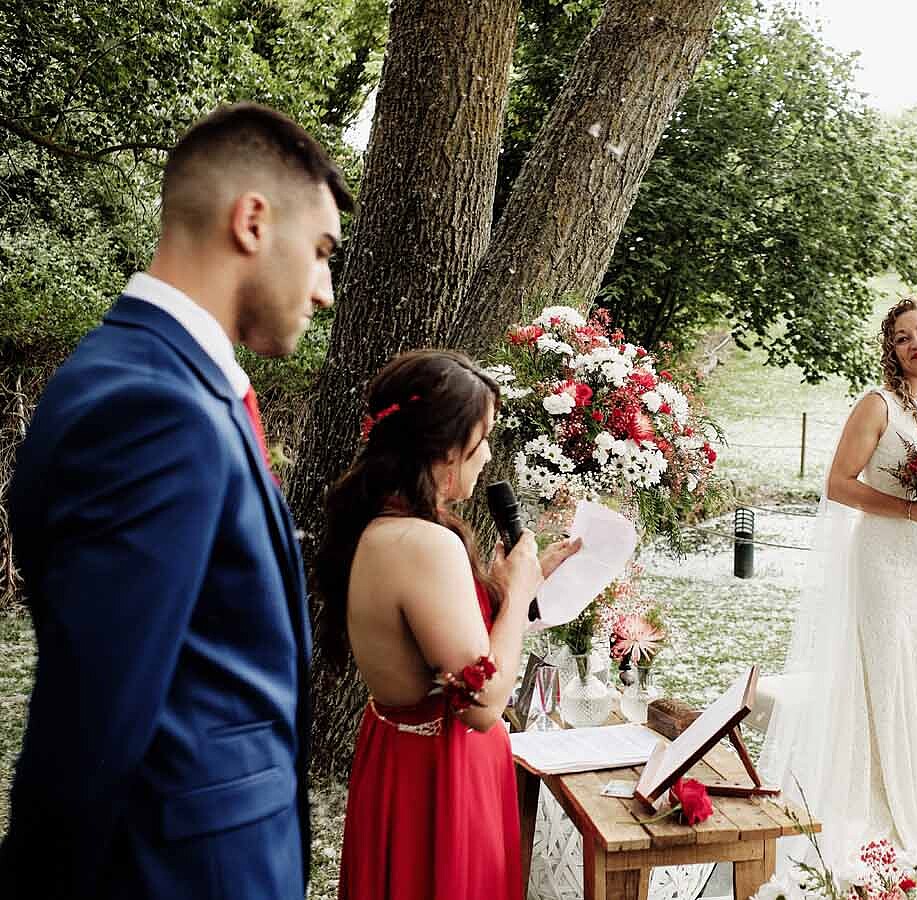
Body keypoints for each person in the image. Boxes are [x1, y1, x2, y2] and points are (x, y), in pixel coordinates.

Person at [1, 102, 353, 898]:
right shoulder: (152, 411)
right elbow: (86, 734)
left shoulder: (160, 384)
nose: (325, 290)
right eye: (323, 252)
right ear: (253, 221)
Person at [318, 349, 581, 900]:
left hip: (402, 760)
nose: (487, 455)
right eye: (481, 438)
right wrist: (516, 599)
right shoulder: (423, 543)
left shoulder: (385, 524)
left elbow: (452, 651)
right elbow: (482, 703)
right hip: (438, 779)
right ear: (444, 450)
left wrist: (518, 590)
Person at [762, 298, 917, 856]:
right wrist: (908, 510)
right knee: (883, 672)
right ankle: (873, 806)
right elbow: (838, 483)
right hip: (883, 559)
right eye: (904, 337)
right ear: (893, 349)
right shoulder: (879, 405)